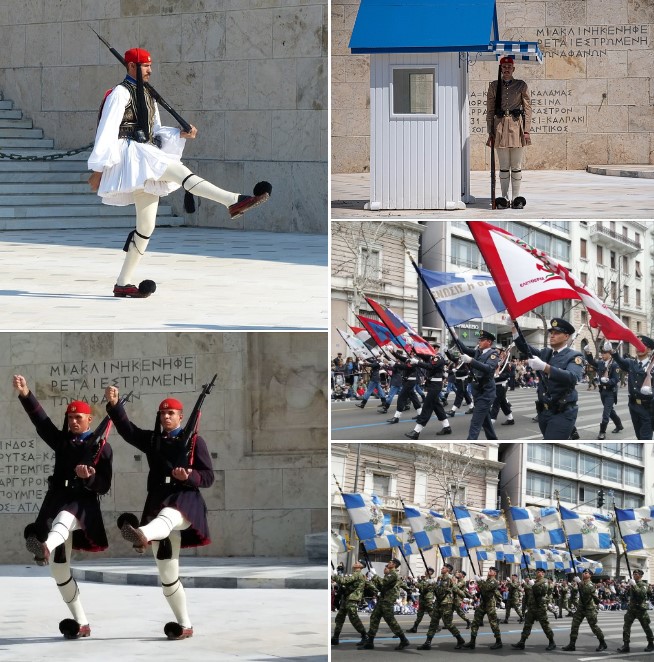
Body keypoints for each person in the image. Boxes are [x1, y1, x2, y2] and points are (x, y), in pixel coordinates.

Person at [89, 47, 271, 298]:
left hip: (146, 153)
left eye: (150, 66)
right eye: (145, 66)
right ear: (131, 67)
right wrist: (98, 169)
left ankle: (123, 283)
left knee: (146, 226)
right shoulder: (120, 93)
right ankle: (232, 200)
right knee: (178, 171)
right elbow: (107, 131)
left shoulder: (148, 94)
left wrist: (179, 133)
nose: (150, 70)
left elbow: (155, 130)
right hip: (131, 156)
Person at [104, 385, 214, 640]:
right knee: (167, 575)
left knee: (168, 516)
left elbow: (208, 477)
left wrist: (189, 475)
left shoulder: (196, 442)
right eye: (163, 413)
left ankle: (141, 534)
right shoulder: (153, 441)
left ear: (180, 416)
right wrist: (115, 405)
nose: (166, 417)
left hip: (185, 500)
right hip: (158, 500)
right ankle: (184, 625)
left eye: (171, 413)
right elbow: (128, 431)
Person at [14, 375, 112, 640]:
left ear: (90, 420)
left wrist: (88, 477)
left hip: (81, 503)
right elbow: (41, 422)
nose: (73, 422)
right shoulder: (63, 442)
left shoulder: (103, 448)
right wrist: (26, 394)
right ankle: (82, 623)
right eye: (70, 418)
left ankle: (44, 546)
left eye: (78, 418)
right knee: (59, 570)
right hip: (56, 498)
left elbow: (104, 485)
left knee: (63, 520)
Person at [513, 318, 584, 440]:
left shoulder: (575, 356)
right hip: (544, 411)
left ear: (566, 336)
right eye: (551, 333)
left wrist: (545, 367)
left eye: (556, 333)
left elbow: (573, 377)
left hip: (562, 412)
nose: (552, 336)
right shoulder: (546, 353)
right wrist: (514, 327)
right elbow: (525, 347)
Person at [486, 56, 532, 209]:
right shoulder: (494, 86)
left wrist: (526, 131)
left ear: (513, 69)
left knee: (516, 165)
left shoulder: (521, 85)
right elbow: (490, 110)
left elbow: (528, 109)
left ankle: (515, 197)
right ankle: (504, 197)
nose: (506, 70)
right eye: (503, 67)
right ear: (500, 69)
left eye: (509, 67)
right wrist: (490, 132)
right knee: (504, 165)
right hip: (499, 128)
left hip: (516, 126)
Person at [457, 330, 500, 440]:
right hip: (478, 391)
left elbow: (488, 368)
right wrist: (455, 337)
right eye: (479, 340)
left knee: (475, 423)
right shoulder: (479, 352)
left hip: (486, 392)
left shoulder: (493, 354)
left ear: (489, 342)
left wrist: (471, 360)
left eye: (482, 340)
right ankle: (493, 440)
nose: (479, 342)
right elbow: (465, 349)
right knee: (485, 422)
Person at [359, 559, 410, 650]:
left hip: (387, 601)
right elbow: (382, 586)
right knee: (374, 618)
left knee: (391, 621)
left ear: (394, 565)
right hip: (382, 600)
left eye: (390, 562)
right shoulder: (390, 574)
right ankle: (370, 642)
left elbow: (383, 583)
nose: (388, 563)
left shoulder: (393, 574)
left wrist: (374, 576)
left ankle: (404, 640)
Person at [609, 335, 654, 439]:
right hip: (633, 406)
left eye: (642, 345)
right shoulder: (631, 363)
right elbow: (620, 361)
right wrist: (612, 351)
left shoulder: (652, 365)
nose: (639, 348)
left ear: (649, 349)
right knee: (639, 436)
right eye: (637, 345)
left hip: (648, 408)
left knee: (645, 438)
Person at [404, 346, 452, 439]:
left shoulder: (438, 358)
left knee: (427, 407)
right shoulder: (431, 357)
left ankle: (416, 431)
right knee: (437, 406)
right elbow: (420, 354)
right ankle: (447, 427)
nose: (426, 350)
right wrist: (413, 347)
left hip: (435, 385)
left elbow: (430, 366)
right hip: (432, 384)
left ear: (435, 349)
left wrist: (417, 362)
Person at [417, 563, 466, 650]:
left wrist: (434, 585)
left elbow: (442, 591)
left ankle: (460, 639)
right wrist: (428, 584)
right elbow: (434, 590)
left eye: (443, 568)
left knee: (448, 624)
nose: (441, 568)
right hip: (438, 603)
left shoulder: (450, 578)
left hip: (446, 604)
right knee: (433, 623)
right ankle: (427, 643)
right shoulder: (440, 578)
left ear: (448, 570)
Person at [584, 343, 623, 439]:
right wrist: (588, 352)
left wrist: (608, 381)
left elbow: (616, 379)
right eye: (602, 353)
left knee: (606, 413)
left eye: (604, 353)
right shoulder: (601, 363)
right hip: (602, 391)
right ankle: (619, 425)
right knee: (610, 411)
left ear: (609, 354)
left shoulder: (614, 365)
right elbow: (592, 362)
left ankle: (602, 432)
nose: (602, 355)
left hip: (610, 391)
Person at [511, 569, 556, 651]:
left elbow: (541, 593)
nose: (538, 573)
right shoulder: (534, 582)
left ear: (543, 574)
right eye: (537, 572)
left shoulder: (544, 582)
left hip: (540, 608)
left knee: (545, 626)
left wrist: (533, 585)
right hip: (532, 608)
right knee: (527, 625)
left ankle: (552, 642)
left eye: (540, 572)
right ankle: (522, 642)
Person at [562, 572, 607, 652]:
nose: (584, 574)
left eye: (586, 573)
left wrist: (579, 583)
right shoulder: (582, 583)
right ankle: (572, 644)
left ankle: (602, 643)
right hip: (581, 608)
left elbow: (586, 591)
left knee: (594, 627)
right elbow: (576, 589)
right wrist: (576, 584)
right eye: (583, 573)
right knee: (574, 625)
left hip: (589, 609)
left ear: (590, 575)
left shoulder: (591, 585)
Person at [464, 566, 503, 650]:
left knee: (493, 623)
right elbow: (482, 589)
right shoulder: (487, 580)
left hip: (490, 604)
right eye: (489, 570)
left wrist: (479, 581)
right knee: (475, 622)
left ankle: (499, 641)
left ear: (495, 573)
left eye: (491, 570)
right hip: (483, 603)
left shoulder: (494, 582)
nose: (489, 571)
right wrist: (480, 581)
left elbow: (486, 588)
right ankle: (472, 642)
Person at [331, 561, 368, 646]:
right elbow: (346, 585)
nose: (355, 562)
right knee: (339, 618)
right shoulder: (354, 574)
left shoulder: (357, 574)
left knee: (354, 618)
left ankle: (364, 636)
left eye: (358, 562)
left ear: (361, 566)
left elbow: (344, 581)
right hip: (346, 598)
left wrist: (336, 576)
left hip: (352, 599)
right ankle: (335, 637)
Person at [617, 569, 654, 653]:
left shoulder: (644, 585)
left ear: (641, 576)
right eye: (633, 574)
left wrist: (634, 585)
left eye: (636, 574)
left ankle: (651, 644)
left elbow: (641, 595)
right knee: (626, 626)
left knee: (646, 627)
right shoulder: (633, 584)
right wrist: (631, 586)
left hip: (641, 609)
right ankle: (626, 645)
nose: (634, 575)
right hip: (631, 609)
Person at [407, 567, 436, 633]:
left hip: (428, 599)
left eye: (428, 571)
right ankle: (415, 627)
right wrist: (413, 581)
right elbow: (419, 588)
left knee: (431, 613)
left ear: (431, 573)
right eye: (426, 570)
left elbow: (423, 588)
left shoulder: (431, 581)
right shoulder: (424, 580)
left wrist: (415, 583)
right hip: (422, 599)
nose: (426, 571)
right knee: (419, 614)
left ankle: (435, 627)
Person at [491, 348, 515, 426]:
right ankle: (510, 419)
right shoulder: (496, 362)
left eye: (498, 351)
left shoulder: (506, 364)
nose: (496, 352)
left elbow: (507, 375)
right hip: (495, 385)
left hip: (501, 385)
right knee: (503, 403)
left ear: (502, 353)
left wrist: (497, 376)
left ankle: (491, 421)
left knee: (496, 402)